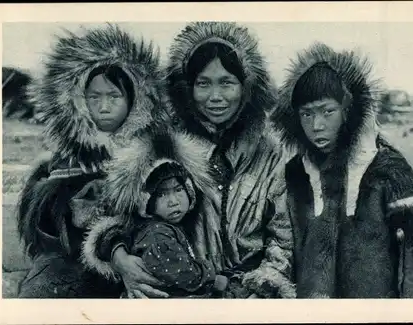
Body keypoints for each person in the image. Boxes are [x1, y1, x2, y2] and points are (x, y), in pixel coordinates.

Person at [84, 22, 295, 299]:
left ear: (246, 87)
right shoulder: (161, 141)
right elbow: (112, 215)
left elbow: (283, 236)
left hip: (248, 291)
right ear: (188, 88)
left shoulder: (271, 152)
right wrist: (120, 258)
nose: (215, 97)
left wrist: (264, 285)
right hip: (173, 292)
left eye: (227, 83)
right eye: (203, 84)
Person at [270, 42, 413, 298]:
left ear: (347, 111)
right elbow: (283, 245)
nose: (317, 125)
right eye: (306, 114)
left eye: (327, 112)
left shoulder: (389, 171)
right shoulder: (297, 173)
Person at [16, 24, 169, 298]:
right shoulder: (67, 159)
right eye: (94, 97)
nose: (104, 106)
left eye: (114, 96)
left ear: (135, 100)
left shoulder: (152, 152)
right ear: (78, 100)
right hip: (74, 264)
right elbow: (50, 230)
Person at [116, 160, 229, 298]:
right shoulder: (157, 234)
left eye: (178, 190)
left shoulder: (172, 226)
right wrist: (213, 277)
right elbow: (181, 273)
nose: (173, 201)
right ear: (146, 202)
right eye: (161, 194)